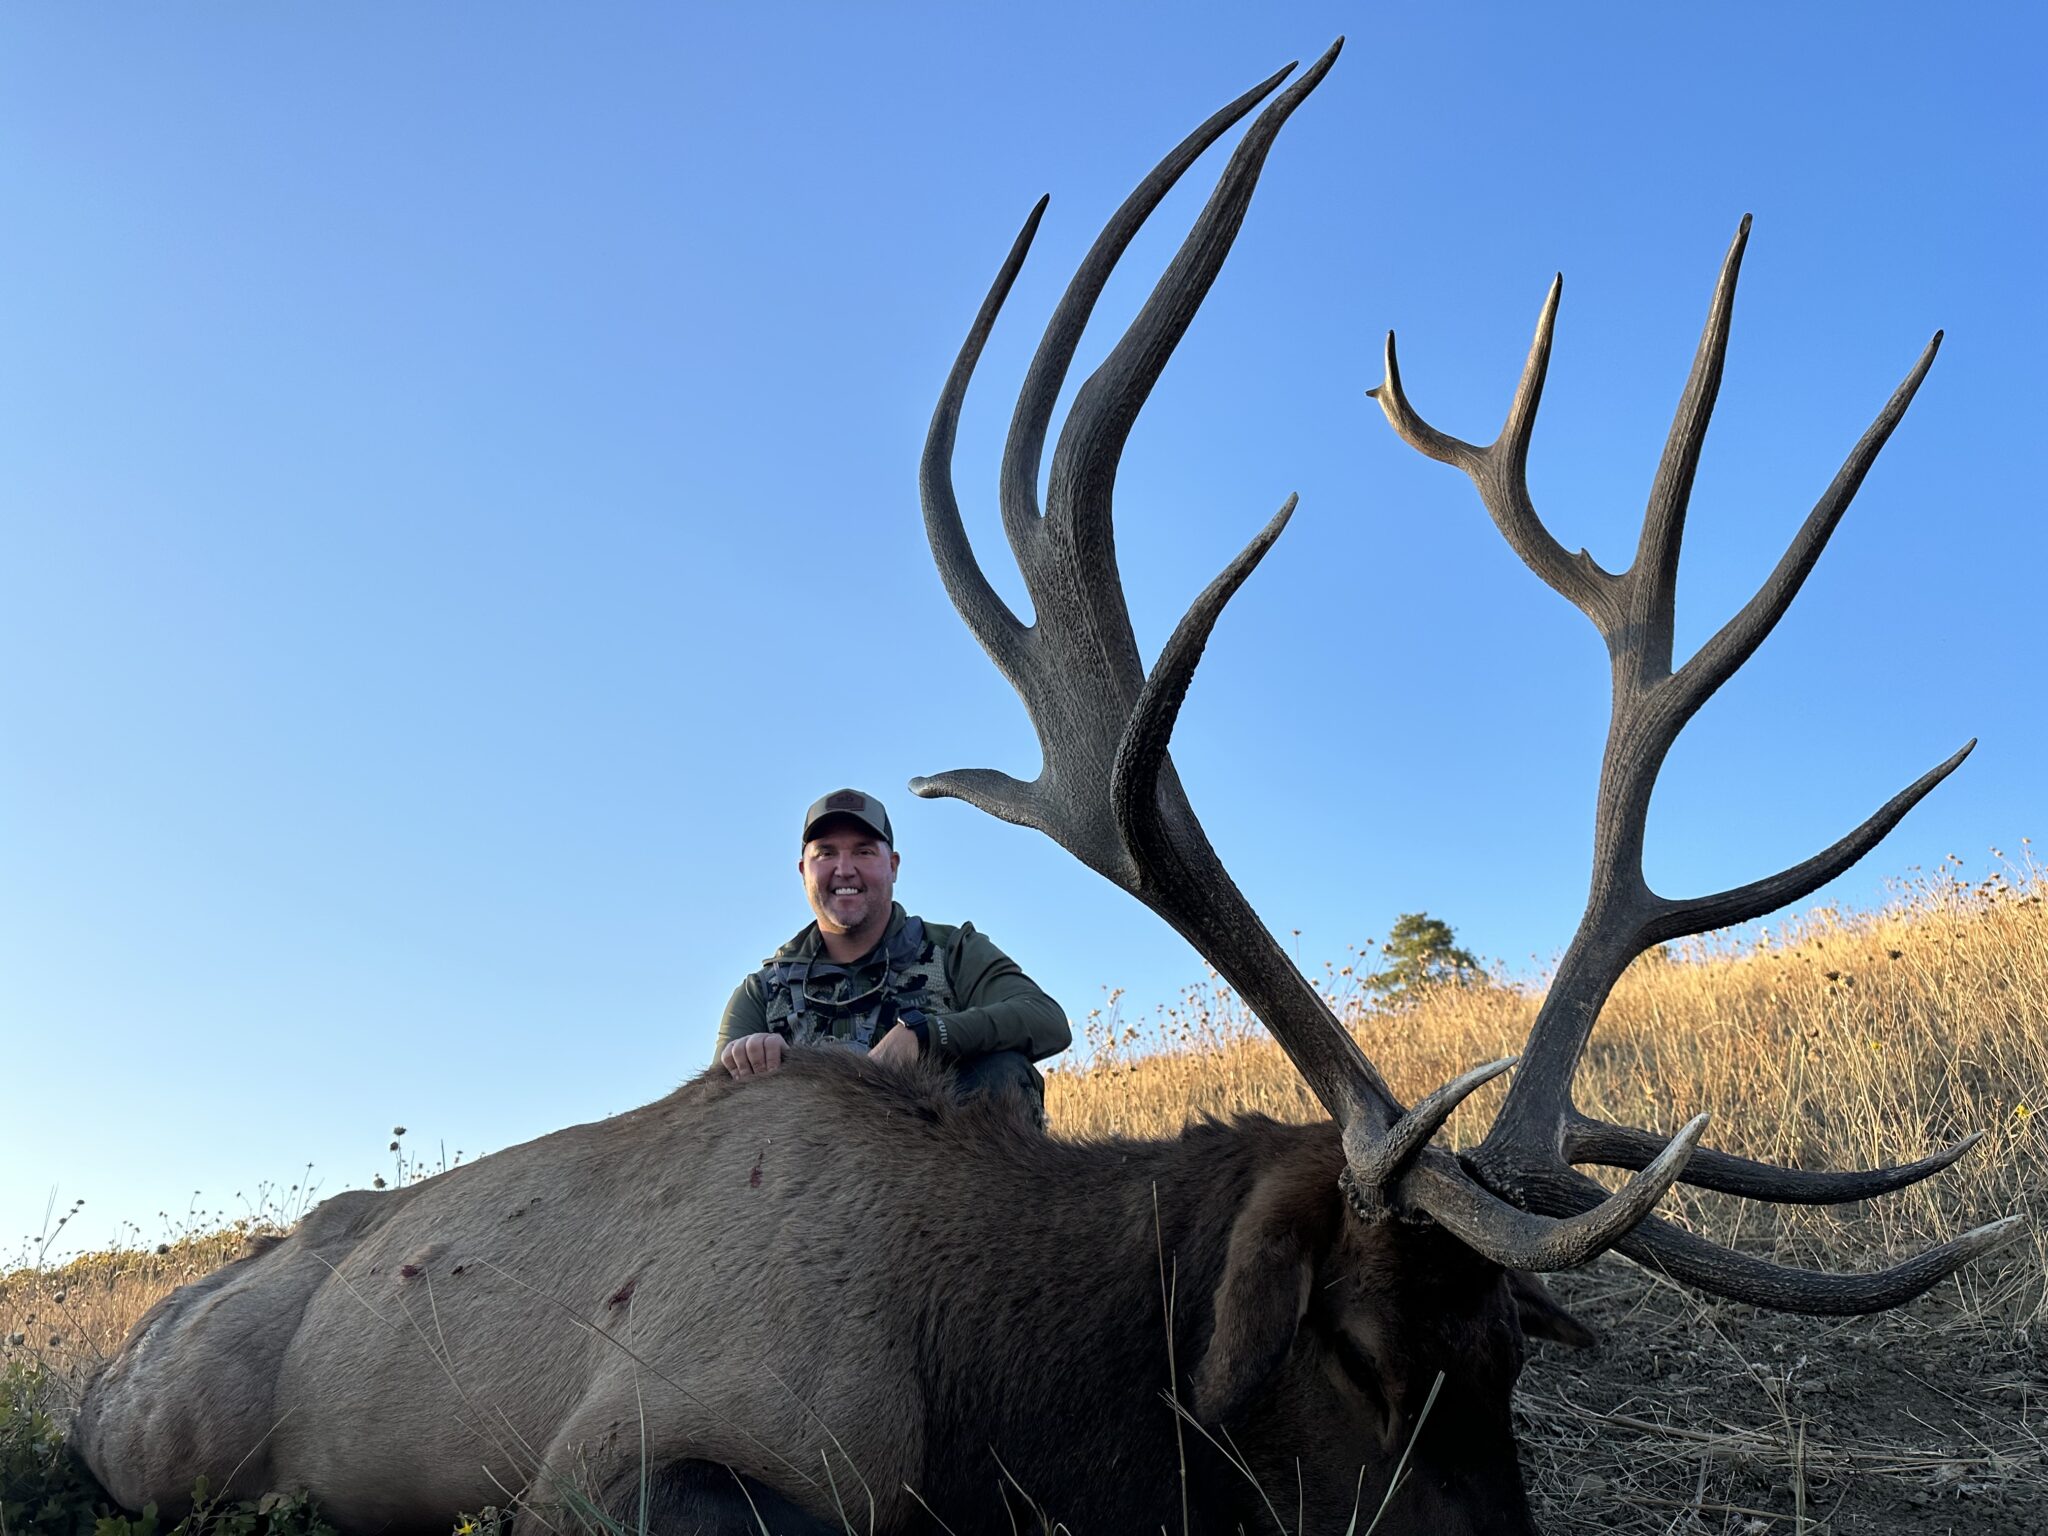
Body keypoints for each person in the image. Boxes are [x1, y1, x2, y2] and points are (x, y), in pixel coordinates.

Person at [715, 788, 1069, 1123]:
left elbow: (1044, 1018)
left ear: (893, 866)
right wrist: (751, 1057)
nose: (844, 869)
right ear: (803, 871)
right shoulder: (762, 992)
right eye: (825, 853)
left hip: (941, 1155)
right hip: (808, 1159)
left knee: (1002, 1071)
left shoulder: (953, 952)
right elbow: (707, 1110)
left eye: (864, 851)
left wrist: (925, 1036)